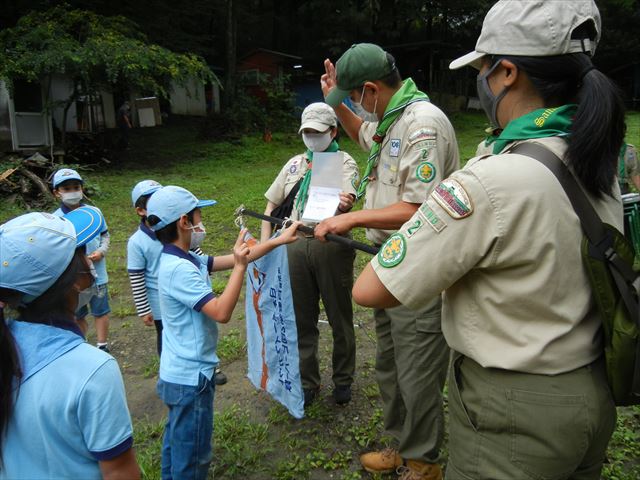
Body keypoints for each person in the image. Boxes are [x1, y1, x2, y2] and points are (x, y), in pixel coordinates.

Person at [353, 1, 624, 479]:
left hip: (514, 413)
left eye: (481, 68)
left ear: (507, 74)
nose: (481, 80)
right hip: (593, 392)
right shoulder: (600, 160)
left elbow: (370, 288)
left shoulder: (488, 180)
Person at [315, 43, 460, 479]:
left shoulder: (423, 125)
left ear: (372, 89)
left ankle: (423, 463)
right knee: (390, 362)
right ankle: (401, 444)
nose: (355, 106)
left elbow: (420, 207)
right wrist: (336, 103)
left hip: (420, 264)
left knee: (416, 368)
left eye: (355, 97)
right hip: (389, 260)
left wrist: (353, 218)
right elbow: (363, 134)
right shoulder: (392, 117)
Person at [146, 185, 299, 479]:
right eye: (198, 214)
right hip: (191, 380)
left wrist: (279, 240)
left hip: (177, 374)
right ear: (184, 221)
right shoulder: (178, 269)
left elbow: (235, 258)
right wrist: (241, 268)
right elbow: (221, 312)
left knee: (176, 447)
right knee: (192, 458)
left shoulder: (186, 258)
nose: (202, 221)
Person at [0, 210, 140, 479]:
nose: (90, 260)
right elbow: (119, 472)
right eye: (82, 255)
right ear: (75, 282)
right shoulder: (92, 370)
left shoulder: (7, 344)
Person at [261, 102, 360, 406]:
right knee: (301, 318)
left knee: (339, 316)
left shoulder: (343, 162)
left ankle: (343, 379)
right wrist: (265, 249)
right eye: (307, 132)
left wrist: (344, 204)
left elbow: (349, 198)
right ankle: (308, 382)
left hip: (330, 245)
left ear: (333, 131)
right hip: (293, 244)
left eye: (318, 132)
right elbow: (270, 206)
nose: (312, 137)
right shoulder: (294, 164)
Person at [127, 180, 230, 382]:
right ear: (141, 210)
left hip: (190, 295)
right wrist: (143, 309)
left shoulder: (180, 241)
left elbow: (201, 258)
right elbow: (136, 277)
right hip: (162, 305)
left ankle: (209, 367)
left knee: (197, 332)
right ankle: (174, 370)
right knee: (171, 337)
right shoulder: (138, 243)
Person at [52, 168, 112, 352]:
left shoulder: (94, 213)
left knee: (101, 311)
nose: (72, 192)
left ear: (82, 189)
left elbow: (105, 235)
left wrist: (101, 251)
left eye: (76, 187)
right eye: (66, 188)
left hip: (98, 275)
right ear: (57, 193)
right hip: (74, 280)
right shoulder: (55, 220)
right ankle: (81, 345)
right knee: (77, 314)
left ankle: (102, 345)